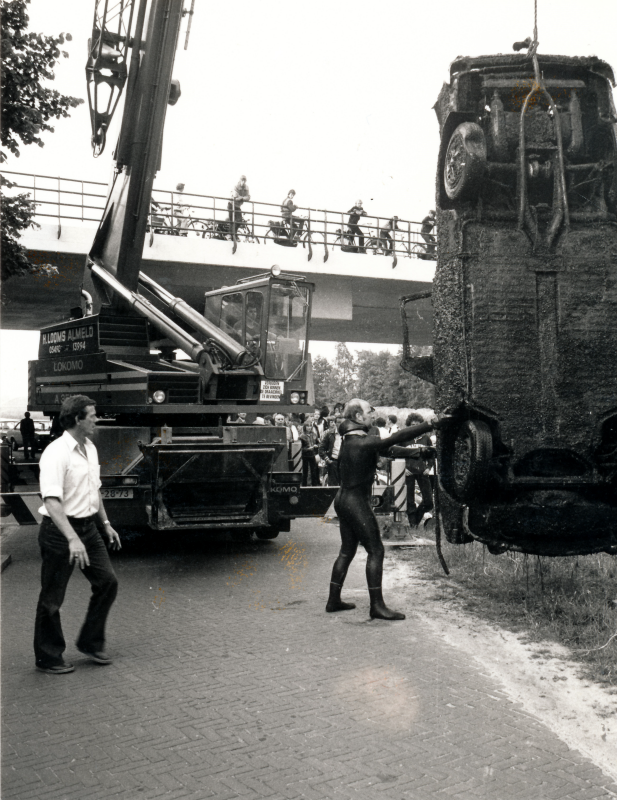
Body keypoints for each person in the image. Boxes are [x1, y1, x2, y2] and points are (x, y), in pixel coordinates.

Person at [325, 398, 449, 620]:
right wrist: (433, 423)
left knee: (347, 551)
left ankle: (333, 600)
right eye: (369, 411)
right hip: (356, 502)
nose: (373, 413)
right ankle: (377, 606)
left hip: (343, 501)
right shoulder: (361, 442)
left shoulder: (351, 440)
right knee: (376, 550)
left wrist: (417, 453)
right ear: (358, 417)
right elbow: (395, 438)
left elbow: (388, 449)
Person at [34, 395, 121, 674]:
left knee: (107, 582)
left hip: (88, 528)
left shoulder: (90, 448)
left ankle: (90, 642)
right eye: (92, 416)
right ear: (76, 419)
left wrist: (105, 523)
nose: (97, 420)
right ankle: (48, 658)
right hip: (59, 532)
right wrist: (71, 538)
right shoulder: (56, 453)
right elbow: (51, 501)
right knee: (52, 598)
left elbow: (93, 489)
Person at [394, 412, 435, 527]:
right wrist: (403, 468)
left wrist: (428, 467)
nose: (414, 426)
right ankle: (413, 524)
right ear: (408, 425)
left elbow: (431, 455)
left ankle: (416, 518)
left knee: (428, 502)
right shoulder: (404, 438)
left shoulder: (426, 438)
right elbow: (396, 453)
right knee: (410, 500)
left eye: (417, 424)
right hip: (409, 471)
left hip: (422, 470)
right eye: (412, 424)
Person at [318, 417, 343, 486]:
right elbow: (321, 449)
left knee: (344, 486)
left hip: (344, 463)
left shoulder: (346, 435)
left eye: (342, 422)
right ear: (335, 423)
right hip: (333, 462)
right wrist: (327, 459)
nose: (340, 424)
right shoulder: (329, 434)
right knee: (333, 486)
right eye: (338, 422)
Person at [299, 420, 319, 486]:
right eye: (307, 426)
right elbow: (300, 448)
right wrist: (308, 449)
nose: (309, 428)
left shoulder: (314, 435)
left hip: (312, 455)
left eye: (310, 426)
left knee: (314, 470)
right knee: (305, 471)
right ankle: (304, 485)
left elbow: (318, 443)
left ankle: (314, 485)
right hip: (305, 455)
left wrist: (316, 446)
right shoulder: (302, 436)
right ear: (305, 427)